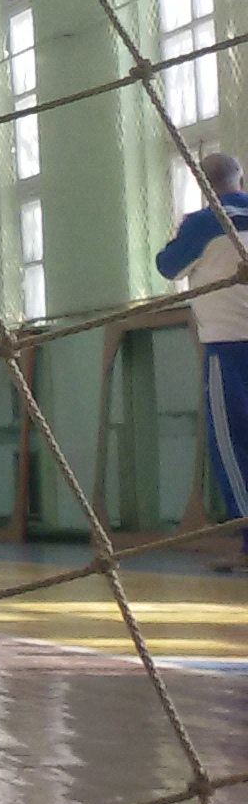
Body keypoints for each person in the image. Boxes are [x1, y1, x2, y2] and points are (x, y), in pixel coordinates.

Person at [153, 151, 248, 569]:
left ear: (203, 184)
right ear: (240, 178)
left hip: (229, 346)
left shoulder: (204, 223)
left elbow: (168, 266)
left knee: (233, 445)